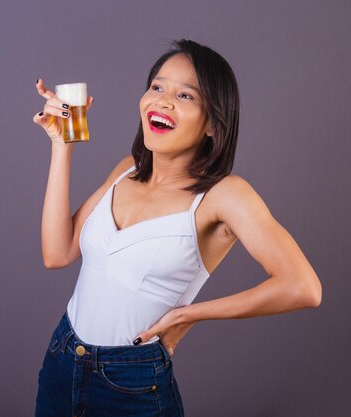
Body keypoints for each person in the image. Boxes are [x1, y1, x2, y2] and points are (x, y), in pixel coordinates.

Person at [31, 39, 322, 417]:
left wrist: (189, 315)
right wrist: (61, 145)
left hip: (131, 382)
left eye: (185, 96)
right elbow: (57, 253)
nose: (163, 100)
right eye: (157, 87)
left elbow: (303, 287)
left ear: (214, 124)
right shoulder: (126, 170)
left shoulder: (224, 196)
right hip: (63, 355)